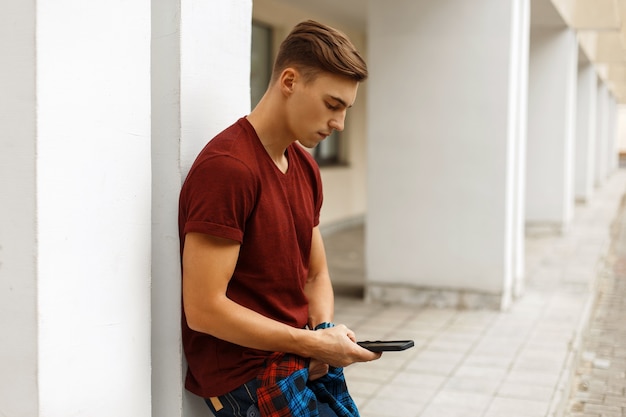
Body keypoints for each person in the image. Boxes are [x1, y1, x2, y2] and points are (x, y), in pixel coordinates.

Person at [178, 20, 380, 417]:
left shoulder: (305, 168)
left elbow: (314, 276)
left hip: (296, 364)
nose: (339, 124)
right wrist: (312, 345)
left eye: (345, 109)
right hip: (246, 382)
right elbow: (203, 308)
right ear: (289, 80)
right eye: (332, 104)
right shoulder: (229, 168)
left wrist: (324, 336)